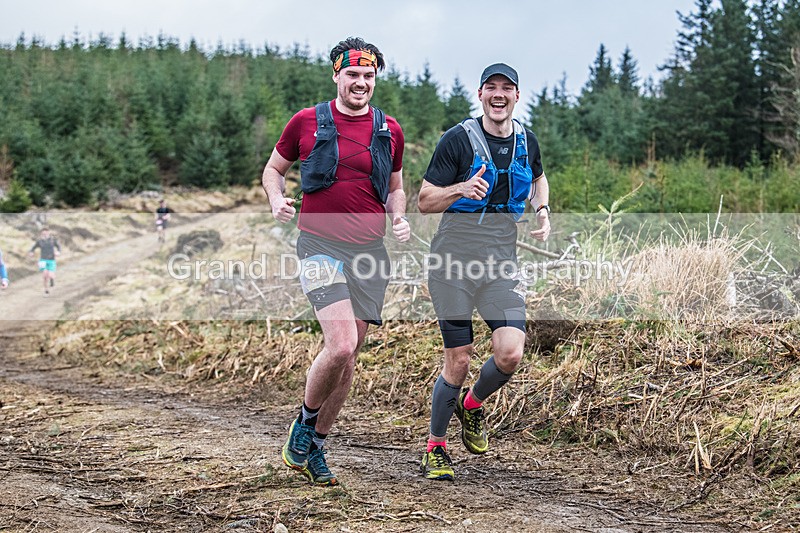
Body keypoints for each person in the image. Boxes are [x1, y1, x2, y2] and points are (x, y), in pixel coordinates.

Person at [261, 36, 409, 486]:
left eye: (368, 75)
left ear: (375, 79)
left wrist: (398, 216)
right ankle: (304, 423)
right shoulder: (307, 121)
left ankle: (318, 447)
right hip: (319, 245)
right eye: (352, 74)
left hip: (369, 254)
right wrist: (276, 200)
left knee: (349, 359)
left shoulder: (390, 130)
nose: (360, 82)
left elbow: (397, 187)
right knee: (341, 343)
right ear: (336, 76)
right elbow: (273, 170)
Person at [417, 63, 551, 480]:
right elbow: (423, 201)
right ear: (480, 95)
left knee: (510, 352)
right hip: (452, 263)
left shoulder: (526, 140)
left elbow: (540, 179)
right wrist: (459, 189)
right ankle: (435, 448)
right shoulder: (457, 140)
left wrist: (542, 209)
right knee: (458, 360)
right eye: (491, 88)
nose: (498, 95)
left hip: (500, 265)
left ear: (516, 95)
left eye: (506, 88)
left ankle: (471, 406)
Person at [29, 227, 61, 296]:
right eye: (43, 234)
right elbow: (33, 247)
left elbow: (59, 247)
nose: (44, 235)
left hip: (51, 260)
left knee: (50, 274)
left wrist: (58, 252)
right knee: (44, 276)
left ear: (48, 233)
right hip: (42, 260)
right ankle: (46, 291)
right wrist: (31, 252)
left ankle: (52, 280)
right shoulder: (40, 241)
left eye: (46, 233)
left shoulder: (53, 240)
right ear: (41, 234)